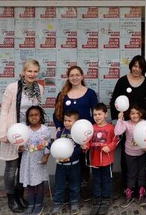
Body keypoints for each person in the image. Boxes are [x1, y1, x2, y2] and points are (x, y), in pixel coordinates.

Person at [0, 59, 44, 213]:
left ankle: (20, 195)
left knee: (23, 165)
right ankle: (11, 198)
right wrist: (4, 133)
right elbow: (4, 111)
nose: (32, 74)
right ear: (24, 72)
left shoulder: (39, 88)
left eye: (35, 71)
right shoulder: (12, 88)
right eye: (29, 71)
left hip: (29, 133)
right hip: (13, 132)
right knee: (11, 167)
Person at [53, 65, 99, 202]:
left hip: (84, 135)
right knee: (66, 161)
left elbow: (95, 114)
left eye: (77, 75)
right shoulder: (62, 94)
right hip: (66, 136)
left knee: (83, 162)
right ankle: (67, 190)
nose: (75, 77)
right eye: (72, 75)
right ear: (68, 77)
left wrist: (90, 130)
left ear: (82, 76)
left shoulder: (90, 93)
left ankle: (83, 188)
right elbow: (57, 115)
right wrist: (59, 128)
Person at [110, 55, 146, 188]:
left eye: (140, 67)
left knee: (142, 152)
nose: (137, 69)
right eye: (135, 66)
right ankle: (127, 186)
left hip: (141, 123)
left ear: (143, 69)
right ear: (131, 66)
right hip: (126, 124)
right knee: (126, 153)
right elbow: (114, 101)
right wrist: (116, 119)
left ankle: (141, 186)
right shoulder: (122, 81)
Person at [84, 103, 119, 215]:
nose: (97, 117)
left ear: (105, 114)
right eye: (95, 114)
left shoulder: (111, 127)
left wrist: (109, 147)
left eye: (99, 114)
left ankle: (105, 200)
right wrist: (85, 147)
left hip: (107, 161)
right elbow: (88, 142)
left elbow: (115, 140)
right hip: (94, 161)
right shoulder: (91, 128)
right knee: (96, 181)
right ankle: (97, 200)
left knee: (106, 181)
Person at [114, 104, 146, 207]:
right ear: (128, 114)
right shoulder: (126, 123)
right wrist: (120, 120)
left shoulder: (145, 123)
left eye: (137, 113)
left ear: (141, 113)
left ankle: (141, 193)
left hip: (142, 152)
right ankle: (130, 193)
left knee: (142, 173)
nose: (134, 115)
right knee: (131, 174)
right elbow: (117, 131)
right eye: (132, 113)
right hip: (130, 153)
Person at [19, 105, 50, 215]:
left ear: (40, 116)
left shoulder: (45, 130)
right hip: (27, 160)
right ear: (27, 117)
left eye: (36, 115)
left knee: (39, 182)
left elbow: (47, 145)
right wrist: (20, 147)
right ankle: (31, 203)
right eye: (31, 115)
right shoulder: (24, 130)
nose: (34, 117)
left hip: (39, 160)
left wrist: (46, 156)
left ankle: (39, 204)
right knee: (30, 183)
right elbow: (19, 143)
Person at [50, 109, 82, 215]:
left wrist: (72, 154)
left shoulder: (78, 134)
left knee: (75, 184)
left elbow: (79, 149)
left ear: (76, 122)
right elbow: (55, 147)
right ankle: (57, 203)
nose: (66, 123)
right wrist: (48, 145)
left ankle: (74, 202)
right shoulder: (60, 133)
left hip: (74, 164)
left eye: (69, 121)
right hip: (61, 165)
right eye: (65, 120)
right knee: (59, 185)